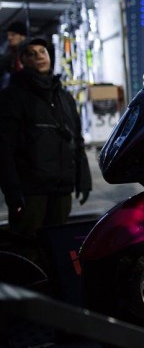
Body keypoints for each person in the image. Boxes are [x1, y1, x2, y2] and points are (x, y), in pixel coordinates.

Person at [0, 37, 92, 238]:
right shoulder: (12, 97)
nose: (39, 56)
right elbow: (4, 148)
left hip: (61, 190)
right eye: (31, 53)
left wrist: (83, 180)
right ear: (23, 61)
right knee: (28, 247)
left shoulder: (64, 97)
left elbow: (76, 140)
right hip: (31, 193)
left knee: (58, 247)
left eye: (42, 51)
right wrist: (12, 191)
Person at [1, 20, 27, 89]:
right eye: (8, 35)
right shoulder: (12, 55)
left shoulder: (30, 52)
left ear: (23, 36)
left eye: (13, 34)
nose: (9, 38)